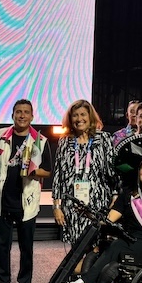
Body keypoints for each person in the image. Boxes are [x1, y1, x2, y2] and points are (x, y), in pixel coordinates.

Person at [0, 99, 52, 283]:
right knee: (2, 246)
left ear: (32, 116)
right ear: (12, 115)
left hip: (27, 202)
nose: (22, 115)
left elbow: (48, 171)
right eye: (18, 112)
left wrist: (33, 172)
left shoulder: (40, 141)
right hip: (4, 200)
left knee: (26, 248)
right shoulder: (0, 136)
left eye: (26, 112)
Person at [52, 99, 117, 246]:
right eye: (75, 115)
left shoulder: (104, 139)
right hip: (72, 205)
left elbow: (113, 172)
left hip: (98, 203)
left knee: (96, 246)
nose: (79, 119)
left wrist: (115, 198)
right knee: (77, 248)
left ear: (90, 117)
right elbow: (58, 177)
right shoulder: (64, 142)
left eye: (83, 114)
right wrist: (56, 207)